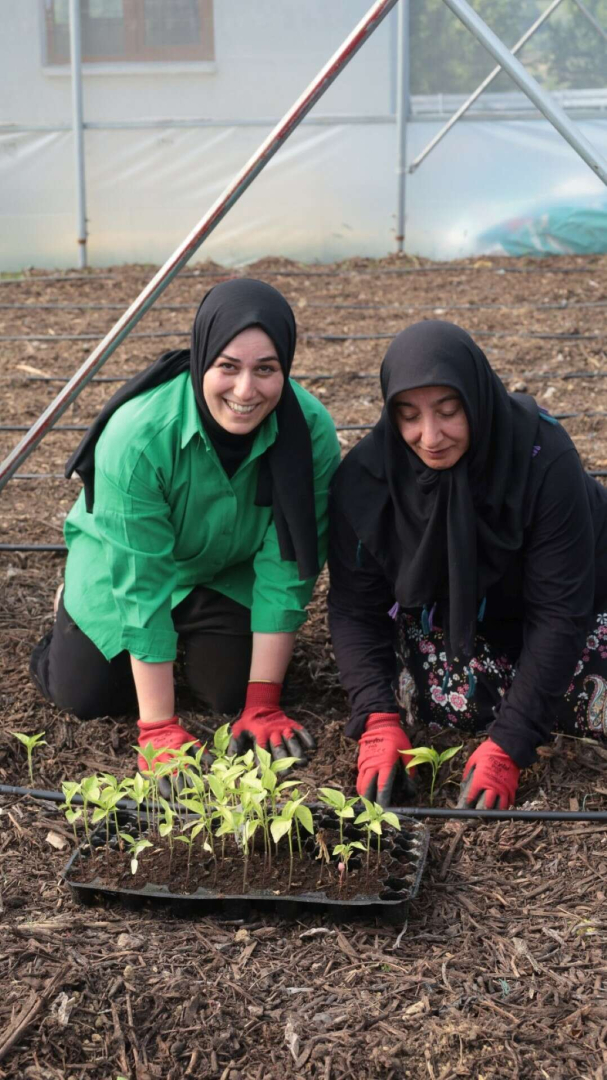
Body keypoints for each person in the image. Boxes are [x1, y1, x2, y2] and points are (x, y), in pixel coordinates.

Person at [30, 278, 340, 780]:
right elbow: (142, 579)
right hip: (123, 564)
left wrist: (262, 702)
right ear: (202, 360)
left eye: (266, 369)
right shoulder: (139, 436)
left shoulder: (309, 432)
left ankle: (193, 647)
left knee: (229, 695)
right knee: (86, 695)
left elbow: (287, 565)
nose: (246, 390)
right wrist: (157, 728)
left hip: (222, 570)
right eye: (228, 367)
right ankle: (70, 614)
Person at [328, 320, 607, 810]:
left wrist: (511, 744)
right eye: (408, 415)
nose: (429, 436)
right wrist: (375, 719)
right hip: (465, 621)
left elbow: (561, 611)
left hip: (579, 607)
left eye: (449, 411)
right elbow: (356, 609)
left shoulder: (541, 457)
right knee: (429, 704)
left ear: (476, 400)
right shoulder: (369, 478)